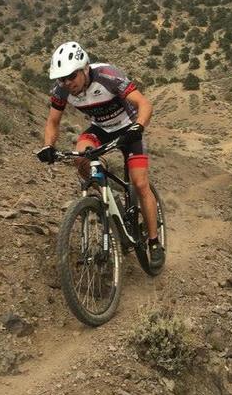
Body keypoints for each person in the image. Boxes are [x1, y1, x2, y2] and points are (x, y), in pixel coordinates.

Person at [37, 41, 165, 269]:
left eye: (71, 76)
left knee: (140, 183)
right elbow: (52, 122)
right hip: (101, 129)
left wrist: (139, 126)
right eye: (62, 78)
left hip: (128, 128)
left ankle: (154, 242)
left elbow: (144, 103)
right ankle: (108, 198)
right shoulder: (62, 91)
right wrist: (48, 146)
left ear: (85, 68)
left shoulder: (107, 75)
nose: (67, 83)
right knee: (80, 157)